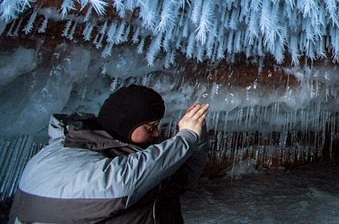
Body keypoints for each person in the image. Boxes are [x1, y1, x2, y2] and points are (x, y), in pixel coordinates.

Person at [9, 84, 210, 223]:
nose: (157, 133)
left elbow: (179, 180)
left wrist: (197, 138)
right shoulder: (63, 153)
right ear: (127, 124)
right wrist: (185, 138)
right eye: (150, 127)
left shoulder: (128, 152)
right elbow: (118, 184)